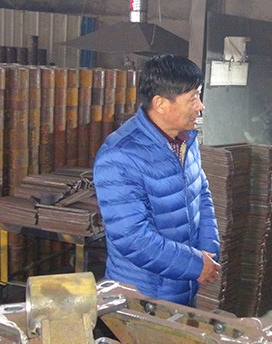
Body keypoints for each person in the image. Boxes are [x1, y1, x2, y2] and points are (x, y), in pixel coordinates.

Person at [93, 54, 220, 306]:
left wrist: (208, 248)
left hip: (183, 286)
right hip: (141, 298)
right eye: (193, 98)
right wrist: (195, 264)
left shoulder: (185, 140)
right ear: (160, 104)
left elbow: (201, 193)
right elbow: (133, 239)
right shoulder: (120, 155)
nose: (200, 106)